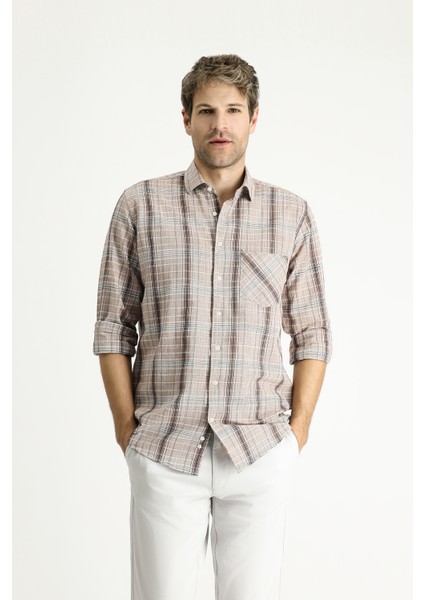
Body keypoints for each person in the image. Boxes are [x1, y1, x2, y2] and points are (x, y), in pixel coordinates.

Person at [93, 54, 332, 600]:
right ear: (186, 119)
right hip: (164, 448)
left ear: (254, 118)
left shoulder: (290, 214)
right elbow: (112, 328)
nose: (219, 124)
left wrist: (296, 433)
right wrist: (127, 429)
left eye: (232, 110)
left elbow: (313, 333)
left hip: (258, 449)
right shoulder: (139, 206)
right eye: (206, 111)